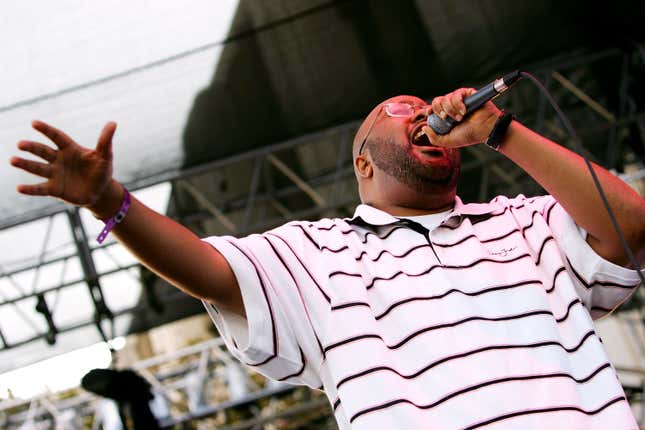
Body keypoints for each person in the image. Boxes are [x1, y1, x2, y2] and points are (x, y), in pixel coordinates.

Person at [10, 88, 645, 429]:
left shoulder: (522, 220)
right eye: (398, 113)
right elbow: (206, 269)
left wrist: (502, 133)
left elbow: (631, 225)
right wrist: (109, 201)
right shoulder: (311, 254)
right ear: (363, 163)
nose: (423, 114)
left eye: (426, 109)